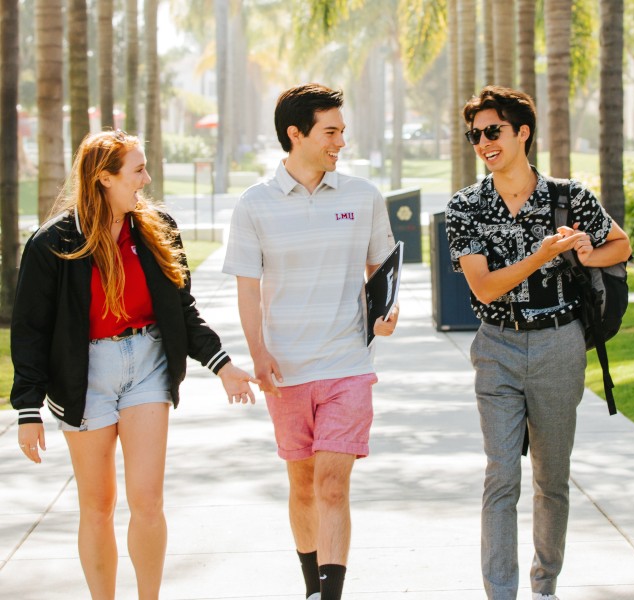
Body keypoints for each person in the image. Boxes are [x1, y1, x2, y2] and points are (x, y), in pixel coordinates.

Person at [11, 130, 258, 600]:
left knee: (147, 501)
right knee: (98, 506)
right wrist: (27, 409)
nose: (147, 178)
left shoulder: (156, 228)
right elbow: (30, 332)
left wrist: (222, 364)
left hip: (147, 363)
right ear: (104, 178)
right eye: (137, 170)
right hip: (84, 376)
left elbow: (182, 308)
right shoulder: (51, 244)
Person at [445, 86, 631, 600]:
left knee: (552, 478)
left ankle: (544, 587)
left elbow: (622, 243)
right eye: (475, 135)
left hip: (559, 345)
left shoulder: (568, 197)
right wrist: (544, 253)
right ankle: (500, 594)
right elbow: (483, 286)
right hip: (497, 347)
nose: (483, 142)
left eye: (493, 131)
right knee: (501, 474)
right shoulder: (466, 207)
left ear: (522, 132)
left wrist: (585, 252)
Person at [223, 83, 398, 600]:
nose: (341, 141)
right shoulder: (254, 205)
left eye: (342, 131)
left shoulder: (363, 197)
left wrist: (387, 312)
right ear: (295, 134)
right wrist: (257, 352)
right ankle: (310, 587)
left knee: (333, 485)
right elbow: (248, 289)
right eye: (331, 131)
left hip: (348, 363)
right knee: (302, 486)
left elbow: (382, 271)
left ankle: (331, 595)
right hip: (287, 372)